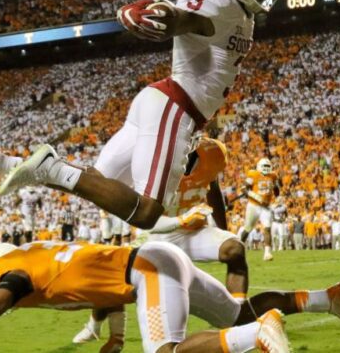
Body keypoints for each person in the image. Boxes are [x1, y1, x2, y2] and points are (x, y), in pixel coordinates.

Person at [0, 0, 281, 233]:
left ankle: (2, 161)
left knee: (98, 183)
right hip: (176, 107)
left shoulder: (242, 16)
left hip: (161, 104)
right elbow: (185, 19)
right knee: (147, 212)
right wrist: (159, 15)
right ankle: (47, 164)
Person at [0, 240, 340, 353]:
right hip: (159, 260)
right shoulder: (40, 255)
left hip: (147, 271)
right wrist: (114, 336)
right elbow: (95, 286)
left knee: (167, 351)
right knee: (235, 314)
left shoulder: (8, 274)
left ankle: (257, 336)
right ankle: (325, 298)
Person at [74, 136, 249, 345]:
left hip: (192, 231)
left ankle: (238, 316)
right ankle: (94, 324)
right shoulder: (151, 162)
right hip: (156, 231)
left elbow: (214, 192)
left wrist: (224, 230)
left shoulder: (211, 154)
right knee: (117, 276)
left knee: (234, 249)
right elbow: (138, 209)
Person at [240, 158, 281, 260]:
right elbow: (244, 189)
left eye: (268, 167)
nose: (266, 169)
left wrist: (276, 186)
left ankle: (267, 253)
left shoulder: (273, 176)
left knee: (267, 227)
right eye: (264, 166)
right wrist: (258, 198)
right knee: (247, 228)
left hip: (266, 207)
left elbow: (277, 192)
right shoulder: (253, 174)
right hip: (253, 205)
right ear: (259, 167)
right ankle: (238, 247)